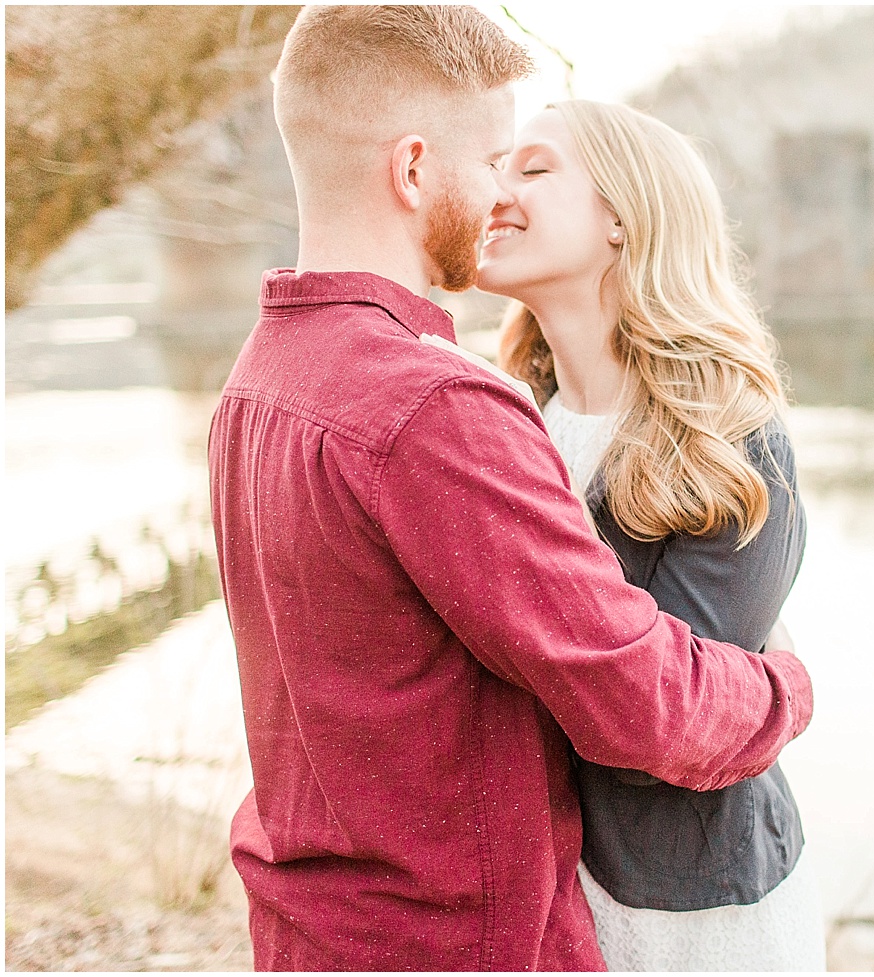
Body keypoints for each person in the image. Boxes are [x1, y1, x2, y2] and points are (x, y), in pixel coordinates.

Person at [207, 7, 813, 971]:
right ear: (413, 170)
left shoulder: (259, 381)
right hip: (454, 937)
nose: (500, 193)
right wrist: (787, 685)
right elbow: (642, 701)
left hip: (313, 928)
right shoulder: (434, 405)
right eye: (495, 161)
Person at [477, 100, 824, 971]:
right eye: (498, 165)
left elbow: (655, 734)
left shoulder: (731, 436)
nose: (497, 189)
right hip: (539, 900)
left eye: (534, 168)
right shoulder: (499, 423)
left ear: (623, 216)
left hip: (691, 913)